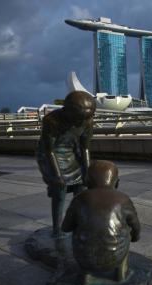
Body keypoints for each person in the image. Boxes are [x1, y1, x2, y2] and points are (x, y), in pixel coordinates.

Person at [61, 160, 140, 282]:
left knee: (81, 229)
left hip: (84, 258)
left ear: (87, 181)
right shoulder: (123, 199)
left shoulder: (79, 198)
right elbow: (135, 225)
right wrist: (135, 237)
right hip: (114, 257)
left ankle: (85, 274)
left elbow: (65, 227)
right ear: (117, 182)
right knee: (127, 231)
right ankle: (119, 273)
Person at [36, 91, 95, 237]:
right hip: (51, 155)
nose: (82, 122)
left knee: (81, 187)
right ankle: (57, 229)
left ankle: (77, 223)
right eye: (79, 118)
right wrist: (57, 176)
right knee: (60, 189)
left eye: (86, 118)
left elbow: (85, 148)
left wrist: (87, 171)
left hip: (72, 154)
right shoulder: (52, 120)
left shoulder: (87, 121)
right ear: (69, 112)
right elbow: (49, 150)